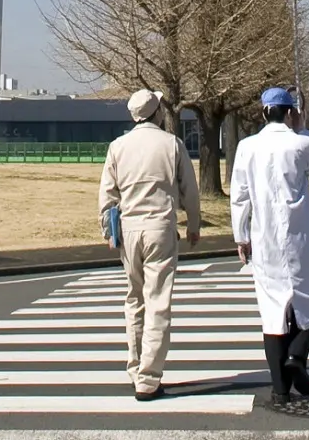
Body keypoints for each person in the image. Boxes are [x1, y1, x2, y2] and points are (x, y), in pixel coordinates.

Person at [230, 85, 309, 407]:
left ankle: (280, 389)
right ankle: (297, 355)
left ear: (264, 113)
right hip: (300, 235)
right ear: (290, 112)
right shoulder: (301, 143)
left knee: (272, 308)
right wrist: (302, 128)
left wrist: (241, 236)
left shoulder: (247, 147)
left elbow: (240, 196)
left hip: (265, 239)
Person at [98, 88, 201, 401]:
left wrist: (108, 230)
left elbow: (108, 194)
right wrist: (193, 224)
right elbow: (189, 189)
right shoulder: (172, 144)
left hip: (129, 229)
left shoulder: (118, 146)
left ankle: (135, 366)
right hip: (160, 226)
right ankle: (149, 376)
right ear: (157, 113)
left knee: (135, 300)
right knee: (158, 302)